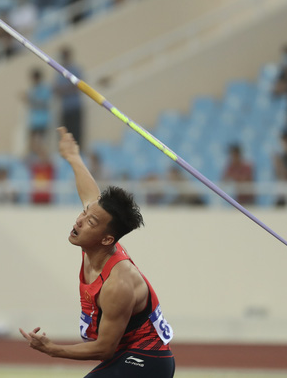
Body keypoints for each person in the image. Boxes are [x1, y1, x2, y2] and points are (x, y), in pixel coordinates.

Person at [20, 127, 175, 377]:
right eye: (84, 213)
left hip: (147, 359)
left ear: (107, 238)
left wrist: (53, 350)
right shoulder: (95, 242)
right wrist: (72, 157)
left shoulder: (118, 284)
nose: (80, 220)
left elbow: (104, 348)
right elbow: (89, 194)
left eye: (90, 221)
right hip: (127, 355)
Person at [53, 47, 85, 148]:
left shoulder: (75, 69)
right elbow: (56, 89)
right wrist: (67, 89)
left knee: (77, 134)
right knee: (65, 134)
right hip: (65, 108)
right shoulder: (59, 72)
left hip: (75, 107)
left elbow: (77, 87)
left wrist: (64, 90)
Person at [22, 68, 52, 147]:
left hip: (43, 119)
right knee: (32, 140)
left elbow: (43, 102)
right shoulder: (32, 89)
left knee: (41, 141)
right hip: (34, 119)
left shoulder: (45, 89)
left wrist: (31, 99)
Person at [273, 131, 287, 207]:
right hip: (280, 188)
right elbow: (278, 173)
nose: (284, 144)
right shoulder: (279, 157)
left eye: (286, 142)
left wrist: (279, 163)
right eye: (283, 142)